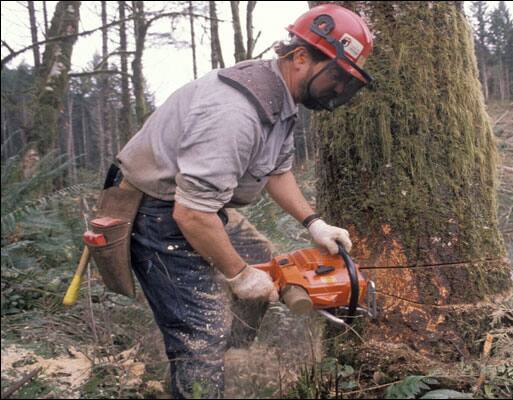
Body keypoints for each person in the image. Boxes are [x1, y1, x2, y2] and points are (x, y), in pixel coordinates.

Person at [113, 4, 374, 398]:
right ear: (300, 57)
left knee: (273, 266)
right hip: (158, 209)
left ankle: (232, 356)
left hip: (199, 206)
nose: (338, 89)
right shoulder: (235, 113)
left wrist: (313, 222)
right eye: (335, 76)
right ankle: (201, 364)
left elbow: (276, 172)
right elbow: (192, 214)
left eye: (345, 81)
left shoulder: (281, 98)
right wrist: (238, 274)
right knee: (202, 331)